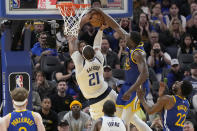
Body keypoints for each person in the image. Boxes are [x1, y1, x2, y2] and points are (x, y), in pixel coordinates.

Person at [93, 8, 152, 131]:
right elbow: (116, 27)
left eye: (127, 38)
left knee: (123, 121)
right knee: (132, 119)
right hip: (128, 84)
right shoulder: (131, 43)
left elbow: (145, 74)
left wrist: (130, 90)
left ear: (133, 42)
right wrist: (102, 13)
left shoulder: (138, 54)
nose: (124, 39)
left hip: (138, 88)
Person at [68, 24, 118, 120]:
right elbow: (97, 45)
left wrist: (71, 39)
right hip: (108, 93)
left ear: (82, 55)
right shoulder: (99, 59)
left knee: (100, 126)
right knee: (123, 118)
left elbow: (72, 52)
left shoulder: (80, 65)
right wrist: (101, 29)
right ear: (93, 52)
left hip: (95, 101)